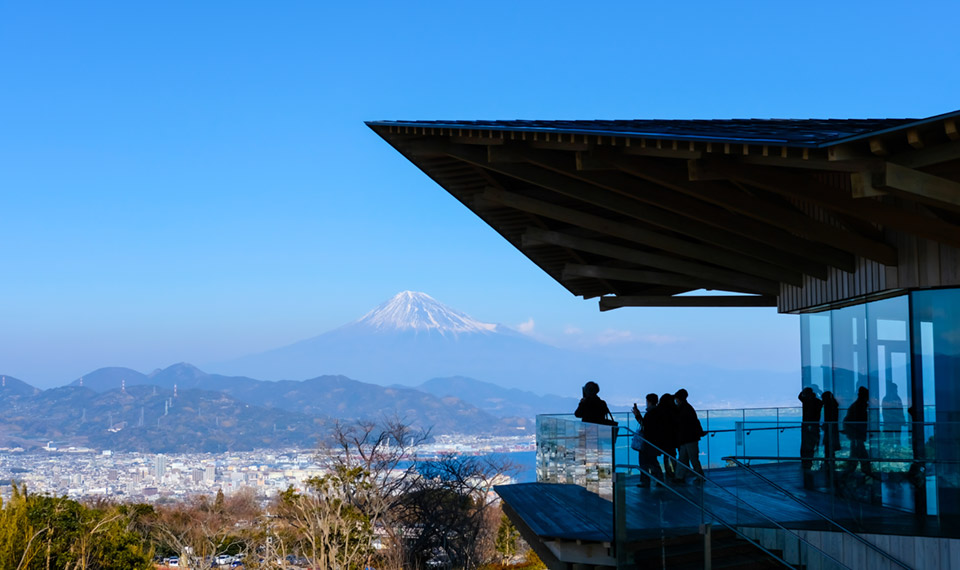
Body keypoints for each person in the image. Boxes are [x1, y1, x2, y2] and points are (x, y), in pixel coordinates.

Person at [674, 388, 706, 484]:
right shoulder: (688, 408)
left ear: (679, 399)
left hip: (687, 438)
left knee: (689, 458)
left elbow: (683, 425)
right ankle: (680, 476)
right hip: (689, 438)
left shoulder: (683, 409)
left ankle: (698, 476)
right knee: (687, 458)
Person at [632, 393, 664, 487]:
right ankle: (659, 479)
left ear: (648, 402)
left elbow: (644, 425)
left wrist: (637, 415)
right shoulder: (658, 412)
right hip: (655, 441)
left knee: (644, 462)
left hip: (647, 442)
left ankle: (646, 481)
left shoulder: (650, 413)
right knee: (653, 461)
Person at [843, 386, 873, 477]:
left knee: (857, 454)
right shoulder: (860, 406)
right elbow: (859, 422)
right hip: (857, 435)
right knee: (860, 454)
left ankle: (850, 473)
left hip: (855, 434)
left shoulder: (857, 405)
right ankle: (864, 471)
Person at [798, 387, 823, 488]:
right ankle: (810, 460)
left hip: (807, 424)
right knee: (813, 442)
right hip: (815, 424)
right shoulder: (818, 402)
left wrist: (804, 391)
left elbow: (799, 396)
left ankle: (807, 462)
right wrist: (818, 392)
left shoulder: (806, 400)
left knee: (806, 443)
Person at [658, 393, 679, 480]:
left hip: (663, 437)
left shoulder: (659, 411)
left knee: (666, 455)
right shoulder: (673, 410)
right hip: (671, 437)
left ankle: (668, 471)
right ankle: (676, 472)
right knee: (672, 454)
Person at [882, 383, 906, 448]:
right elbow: (900, 410)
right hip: (895, 423)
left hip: (890, 423)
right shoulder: (897, 398)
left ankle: (892, 452)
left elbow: (900, 410)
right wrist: (902, 420)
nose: (896, 390)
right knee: (895, 440)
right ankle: (896, 451)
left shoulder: (886, 399)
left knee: (891, 440)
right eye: (895, 389)